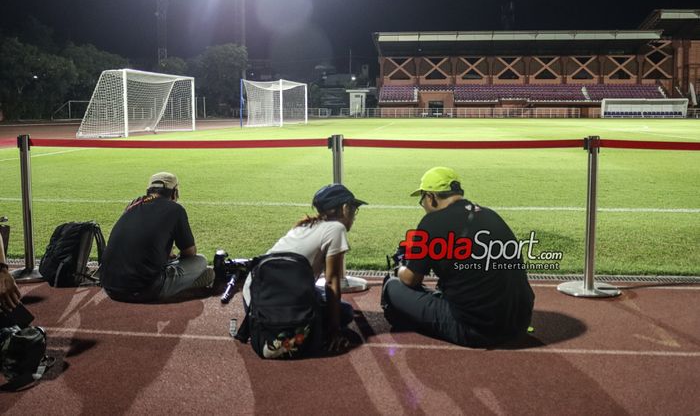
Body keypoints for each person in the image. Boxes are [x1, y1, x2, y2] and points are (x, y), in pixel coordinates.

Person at [382, 167, 535, 347]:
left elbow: (410, 279)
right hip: (518, 323)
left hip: (476, 329)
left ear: (431, 197)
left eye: (422, 199)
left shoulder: (432, 222)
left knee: (392, 286)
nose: (423, 205)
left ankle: (408, 319)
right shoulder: (490, 215)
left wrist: (400, 267)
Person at [242, 183, 366, 352]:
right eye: (354, 208)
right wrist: (334, 330)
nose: (355, 215)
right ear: (344, 208)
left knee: (321, 297)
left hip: (255, 297)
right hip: (282, 299)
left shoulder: (304, 226)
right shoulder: (336, 229)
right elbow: (332, 282)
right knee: (345, 311)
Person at [101, 172, 213, 303]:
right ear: (174, 192)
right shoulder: (175, 209)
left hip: (110, 288)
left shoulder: (132, 205)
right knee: (201, 261)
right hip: (146, 289)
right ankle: (185, 283)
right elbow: (190, 253)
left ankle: (182, 280)